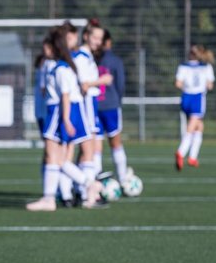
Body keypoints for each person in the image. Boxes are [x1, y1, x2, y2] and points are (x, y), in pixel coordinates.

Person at [25, 29, 96, 211]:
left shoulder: (62, 69)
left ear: (54, 47)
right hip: (56, 112)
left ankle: (84, 185)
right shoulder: (59, 66)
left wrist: (65, 119)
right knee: (55, 158)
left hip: (58, 112)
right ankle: (84, 185)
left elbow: (65, 96)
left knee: (54, 155)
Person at [63, 20, 112, 204]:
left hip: (90, 105)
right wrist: (102, 81)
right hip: (85, 104)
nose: (98, 42)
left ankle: (80, 191)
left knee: (89, 150)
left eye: (100, 38)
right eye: (95, 37)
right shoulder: (82, 58)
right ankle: (86, 193)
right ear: (86, 36)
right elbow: (83, 85)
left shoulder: (88, 57)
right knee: (87, 149)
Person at [95, 30, 137, 191]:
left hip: (94, 107)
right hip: (111, 106)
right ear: (108, 42)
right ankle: (122, 179)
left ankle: (97, 181)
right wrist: (117, 101)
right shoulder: (115, 60)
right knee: (116, 143)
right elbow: (120, 85)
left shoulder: (92, 59)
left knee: (96, 146)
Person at [175, 44, 215, 169]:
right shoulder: (206, 67)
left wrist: (188, 88)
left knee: (199, 126)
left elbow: (178, 84)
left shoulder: (183, 66)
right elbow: (210, 86)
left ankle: (192, 157)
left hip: (186, 97)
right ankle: (181, 152)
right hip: (197, 98)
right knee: (192, 126)